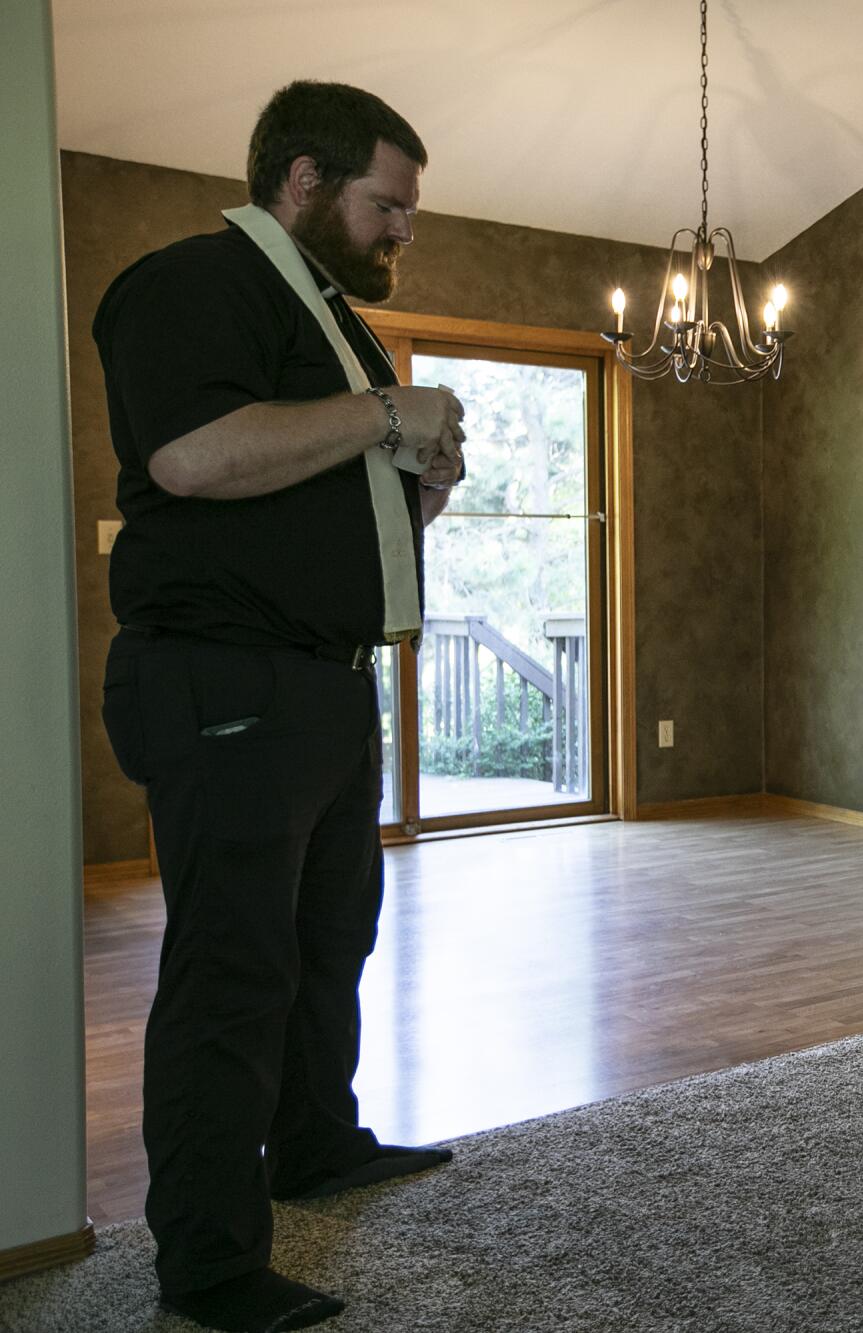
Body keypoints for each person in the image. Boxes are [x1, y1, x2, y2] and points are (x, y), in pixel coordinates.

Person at [95, 81, 465, 1331]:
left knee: (326, 941)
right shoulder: (191, 283)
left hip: (320, 680)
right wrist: (382, 412)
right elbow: (190, 459)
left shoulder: (328, 320)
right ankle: (205, 1266)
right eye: (386, 206)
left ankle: (314, 1143)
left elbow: (325, 514)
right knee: (231, 972)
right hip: (223, 681)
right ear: (302, 180)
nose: (399, 234)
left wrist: (419, 482)